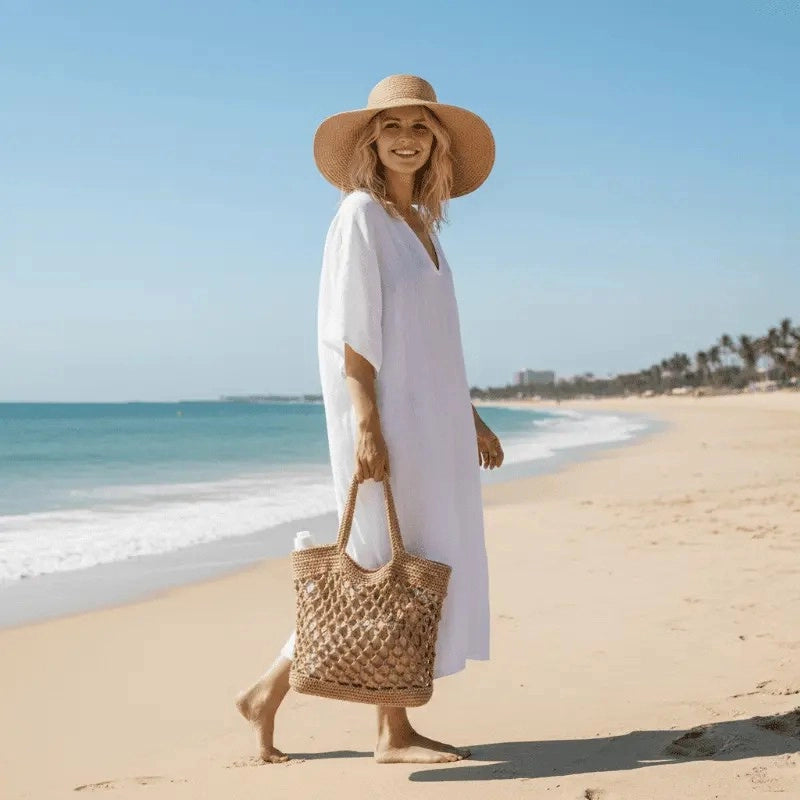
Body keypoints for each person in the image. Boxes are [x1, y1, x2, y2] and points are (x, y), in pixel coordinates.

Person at [236, 74, 505, 765]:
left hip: (433, 422)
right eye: (392, 128)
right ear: (371, 141)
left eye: (419, 128)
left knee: (404, 564)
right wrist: (365, 424)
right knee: (388, 562)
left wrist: (469, 415)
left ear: (436, 141)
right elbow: (352, 333)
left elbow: (432, 345)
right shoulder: (359, 214)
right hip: (389, 421)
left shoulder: (421, 228)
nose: (407, 140)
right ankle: (392, 732)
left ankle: (269, 694)